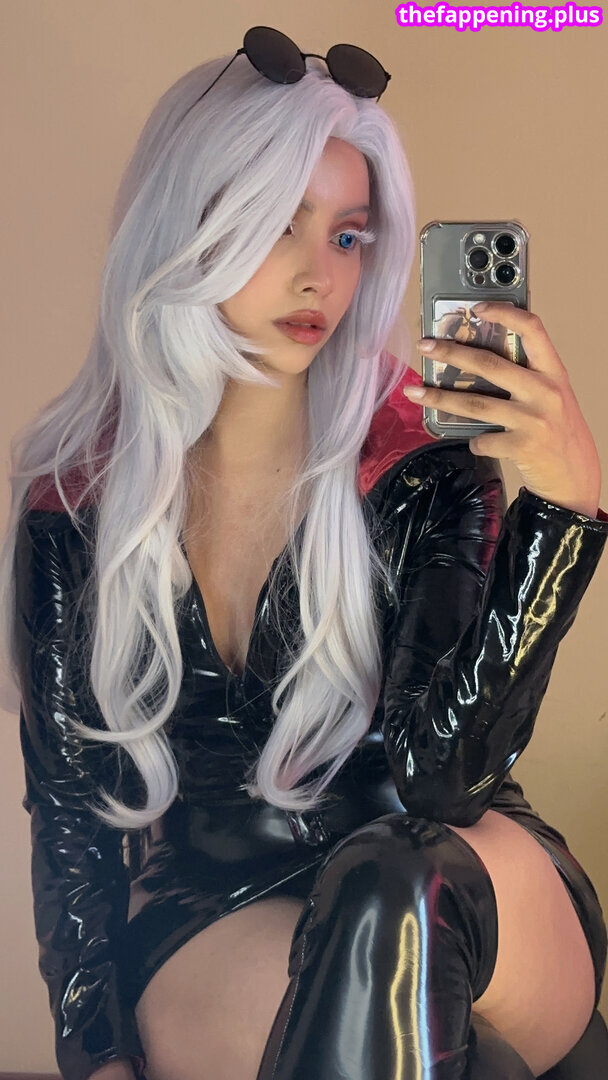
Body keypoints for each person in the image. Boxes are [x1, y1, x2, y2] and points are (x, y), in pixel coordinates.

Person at [2, 25, 607, 1080]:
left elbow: (439, 780)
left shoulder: (421, 463)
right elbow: (70, 816)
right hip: (222, 901)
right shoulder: (74, 509)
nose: (316, 275)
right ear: (187, 223)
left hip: (457, 870)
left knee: (395, 885)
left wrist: (562, 517)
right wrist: (93, 1050)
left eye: (347, 236)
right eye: (278, 223)